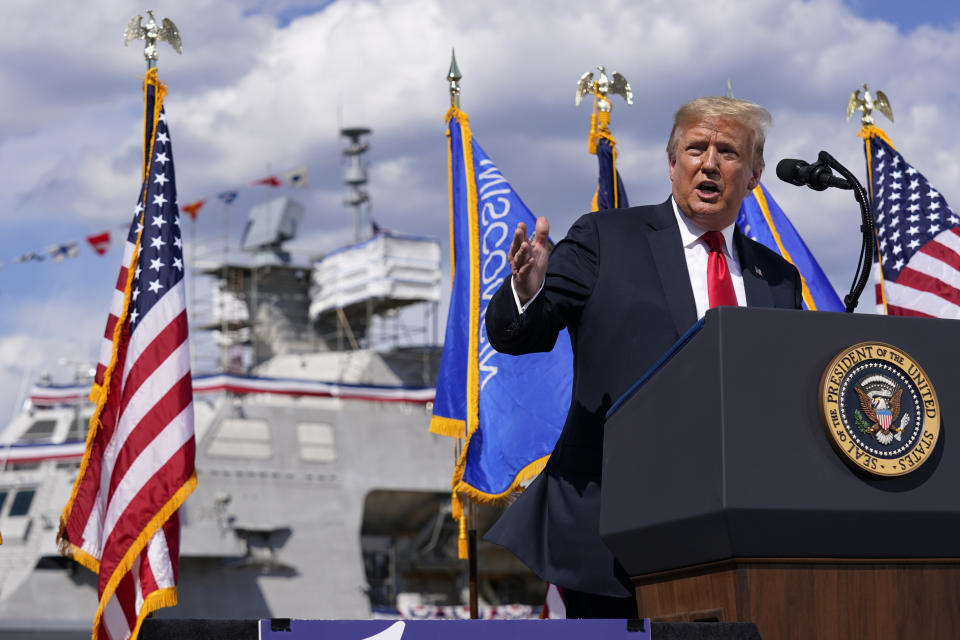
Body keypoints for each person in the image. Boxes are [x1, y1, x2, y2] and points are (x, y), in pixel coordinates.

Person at [483, 96, 802, 618]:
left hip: (729, 536)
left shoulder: (778, 278)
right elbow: (522, 334)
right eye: (695, 148)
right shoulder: (606, 239)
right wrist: (527, 291)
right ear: (672, 163)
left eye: (728, 152)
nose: (709, 163)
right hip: (610, 535)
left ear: (754, 174)